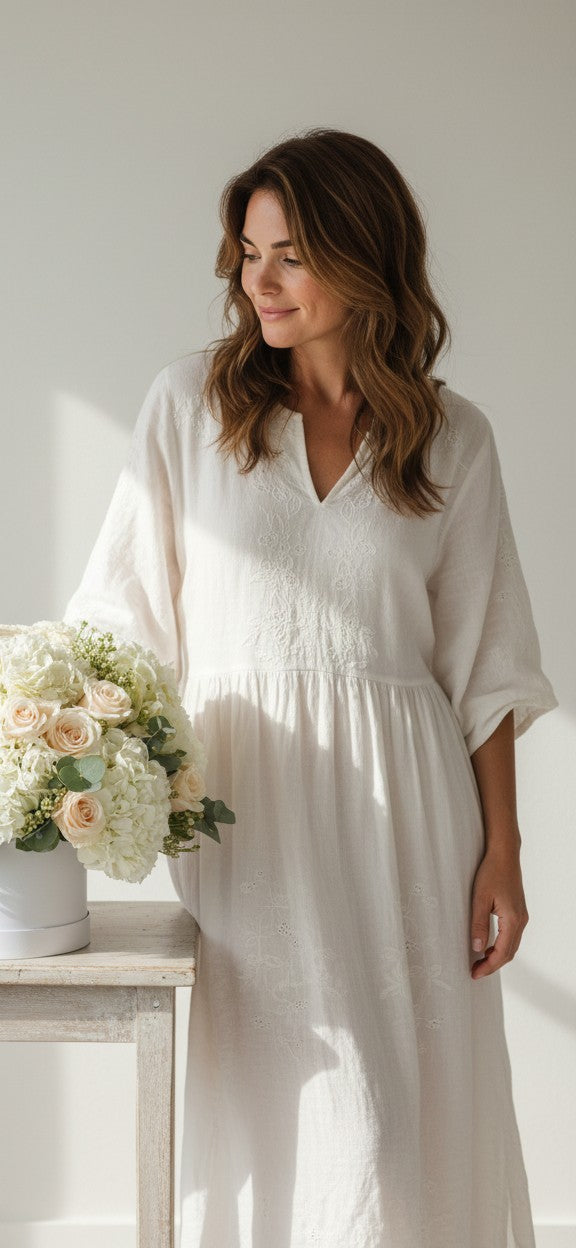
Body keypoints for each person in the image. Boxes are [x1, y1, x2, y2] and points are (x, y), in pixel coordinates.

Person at [61, 128, 558, 1247]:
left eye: (291, 254)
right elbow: (121, 622)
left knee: (409, 1112)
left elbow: (483, 665)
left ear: (365, 256)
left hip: (410, 817)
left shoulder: (448, 437)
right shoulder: (191, 405)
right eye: (247, 254)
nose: (261, 282)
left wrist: (502, 850)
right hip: (251, 810)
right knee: (296, 1106)